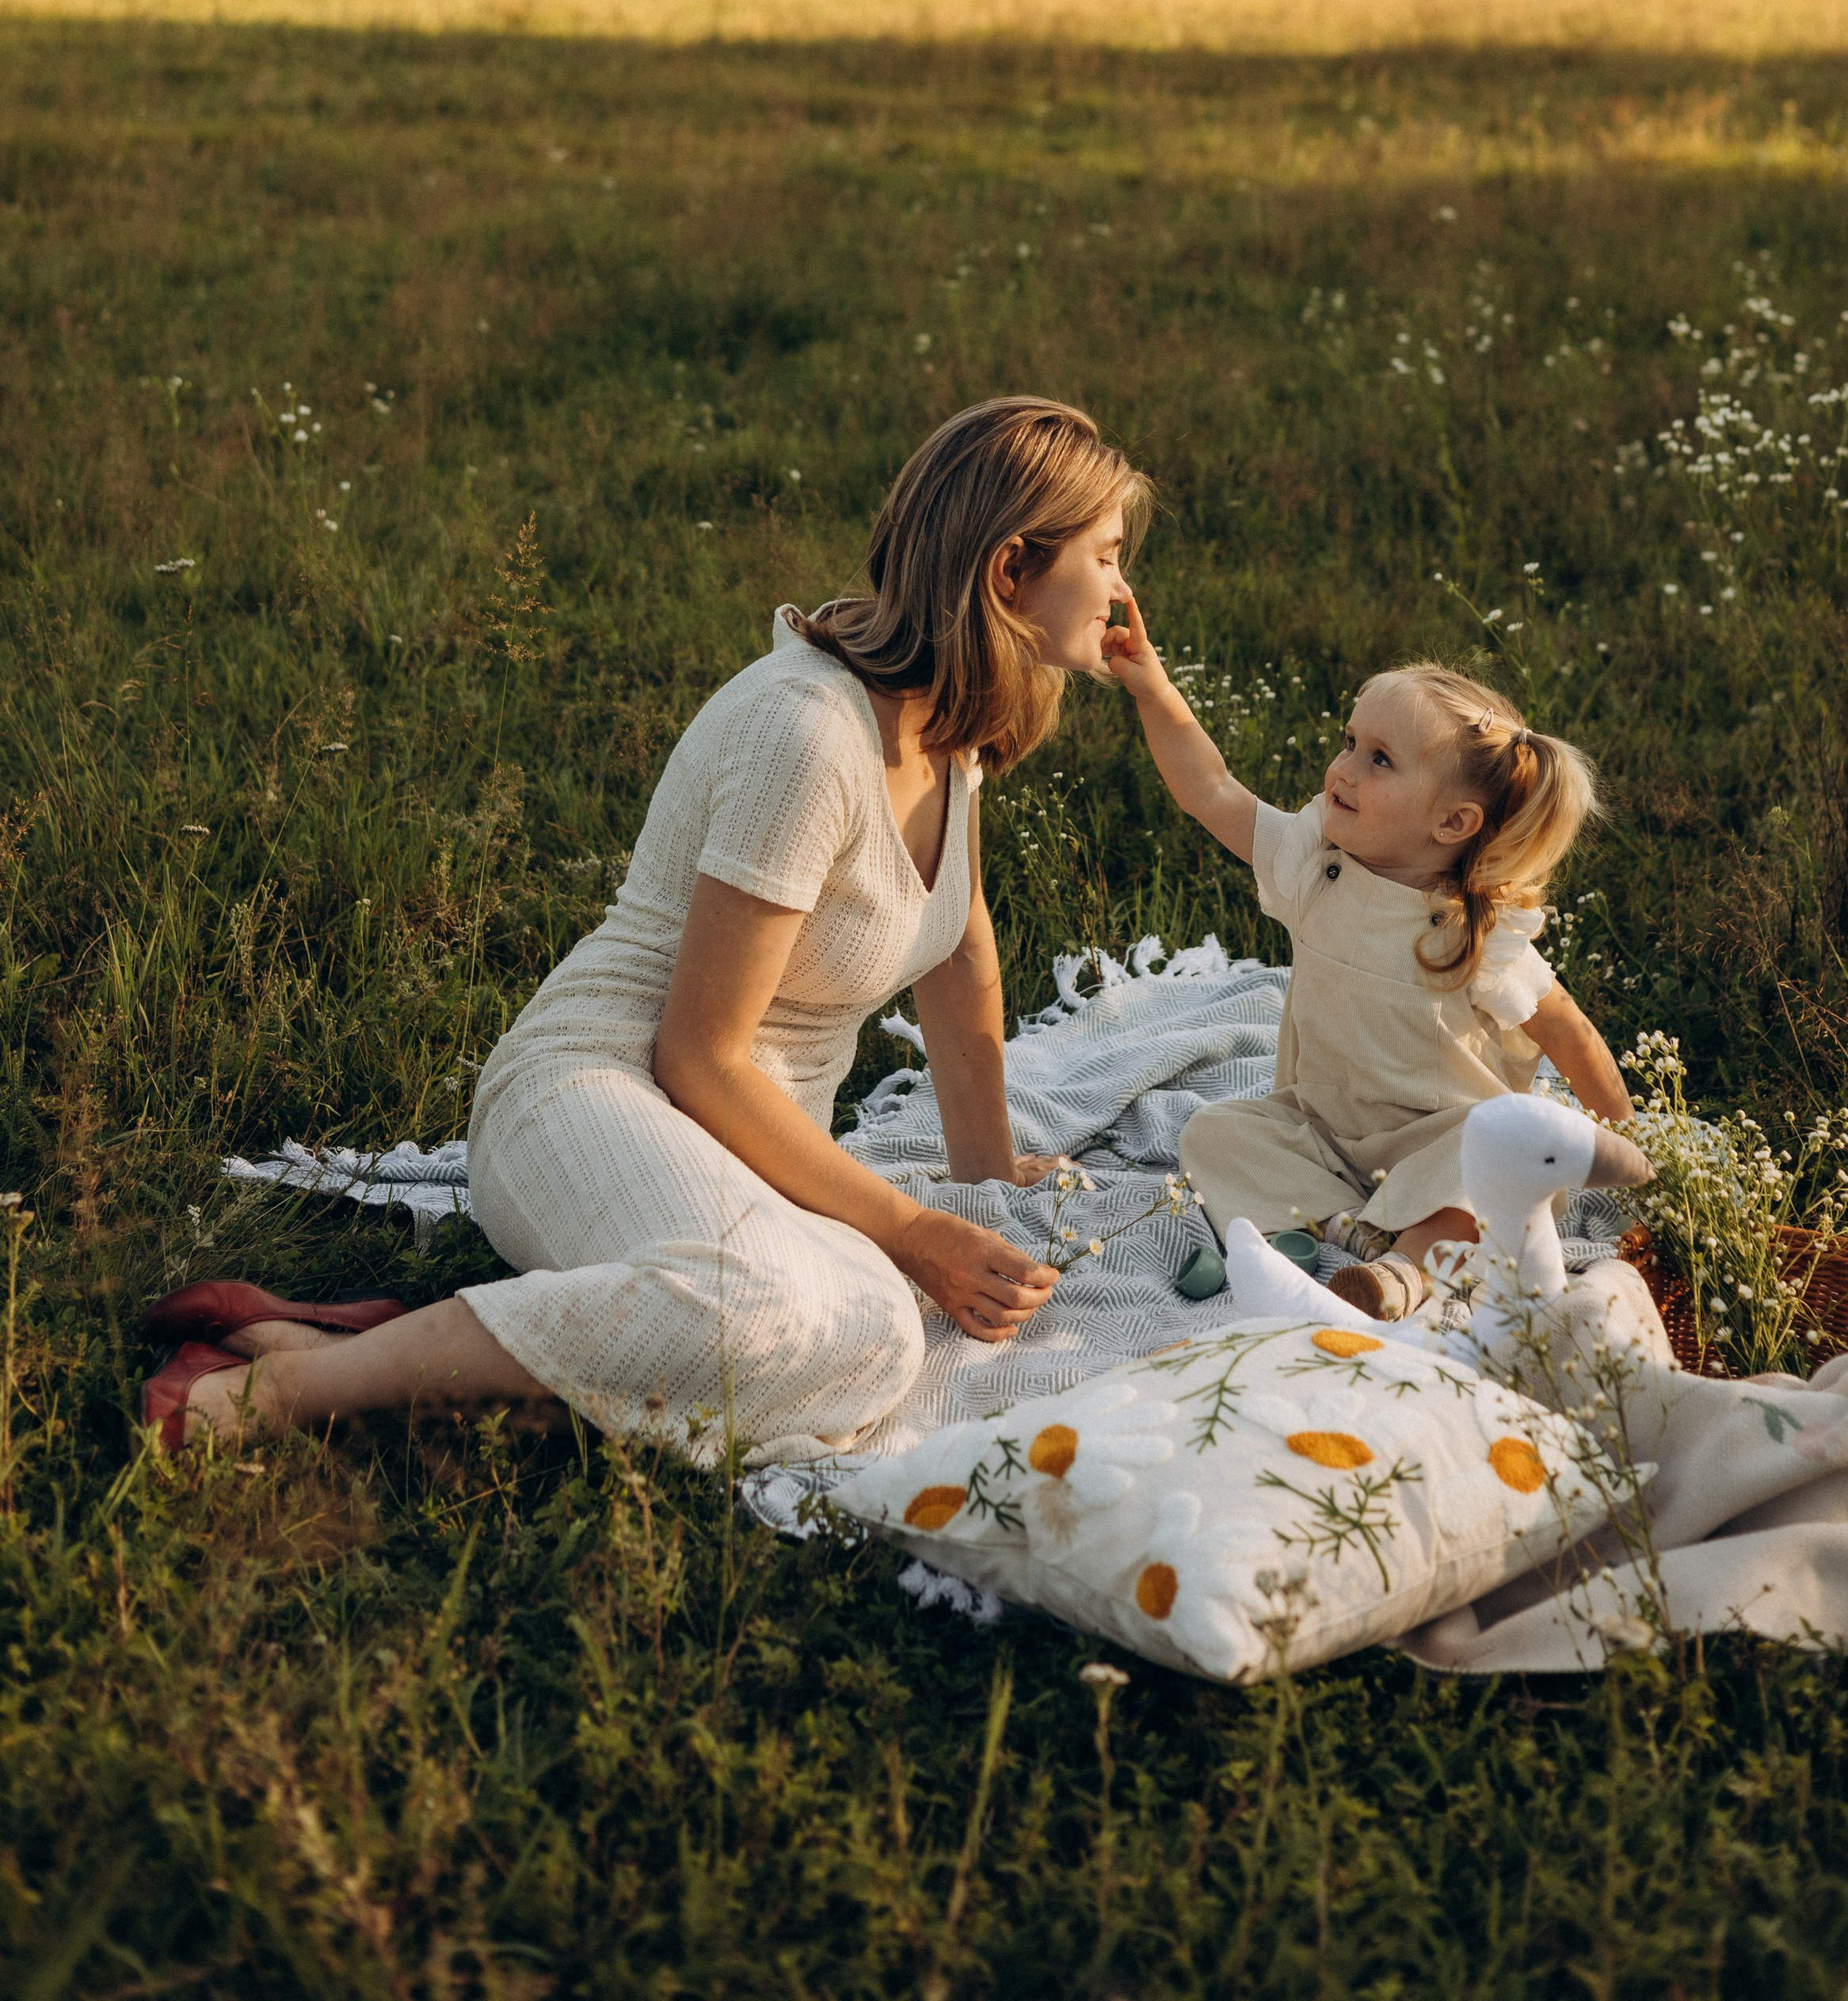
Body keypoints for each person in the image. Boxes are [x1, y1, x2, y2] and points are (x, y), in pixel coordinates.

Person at [149, 397, 1149, 1461]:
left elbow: (958, 947)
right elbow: (700, 1056)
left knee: (874, 1338)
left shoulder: (950, 728)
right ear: (1009, 573)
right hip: (595, 1091)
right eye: (1107, 554)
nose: (1124, 588)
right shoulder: (807, 734)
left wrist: (984, 1182)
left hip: (746, 1152)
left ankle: (414, 1342)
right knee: (780, 1323)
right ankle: (280, 1391)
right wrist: (907, 1229)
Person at [1101, 613, 1630, 1319]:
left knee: (1492, 1158)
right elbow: (1213, 791)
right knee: (1212, 1134)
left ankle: (1402, 1273)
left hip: (1438, 1142)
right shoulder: (1313, 867)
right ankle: (1340, 1227)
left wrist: (1634, 1157)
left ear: (1453, 824)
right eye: (1349, 742)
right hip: (1322, 1130)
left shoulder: (1473, 932)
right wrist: (1152, 688)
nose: (1343, 769)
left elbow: (1571, 1036)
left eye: (1380, 759)